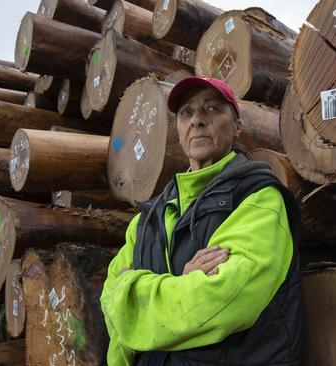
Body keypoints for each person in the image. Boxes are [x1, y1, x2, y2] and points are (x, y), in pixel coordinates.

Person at [100, 77, 302, 366]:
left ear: (237, 126)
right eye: (186, 113)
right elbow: (109, 298)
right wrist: (182, 283)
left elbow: (223, 301)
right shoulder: (149, 218)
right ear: (179, 129)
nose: (197, 120)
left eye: (212, 109)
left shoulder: (258, 199)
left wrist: (134, 292)